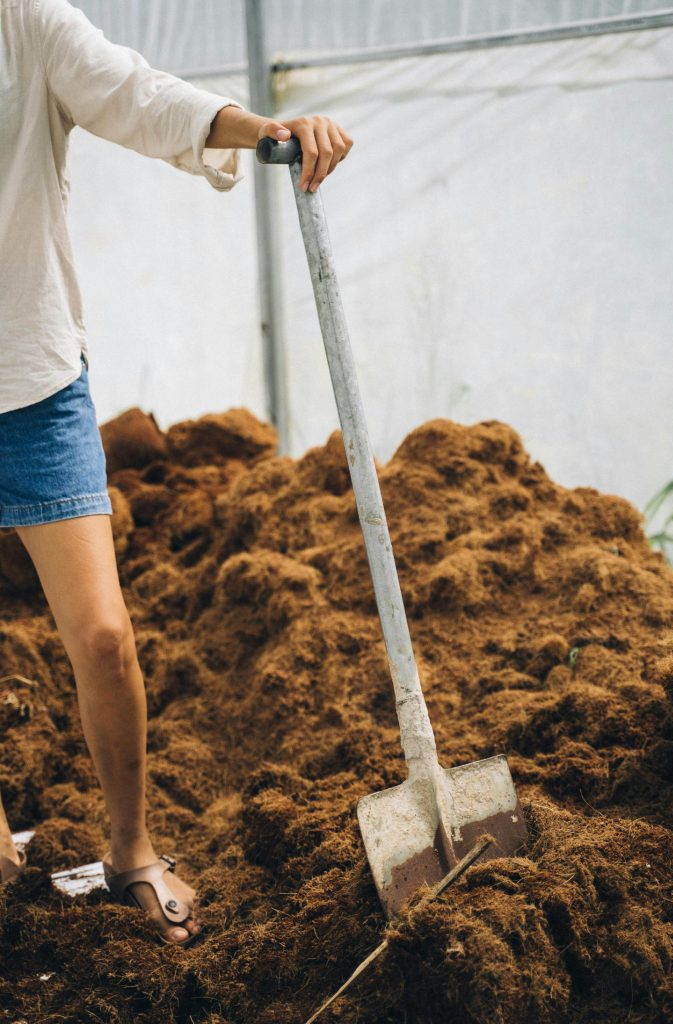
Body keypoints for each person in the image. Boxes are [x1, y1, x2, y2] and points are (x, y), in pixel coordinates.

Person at [0, 0, 353, 947]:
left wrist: (263, 128)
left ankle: (131, 850)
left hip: (31, 380)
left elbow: (136, 92)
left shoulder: (24, 25)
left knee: (105, 635)